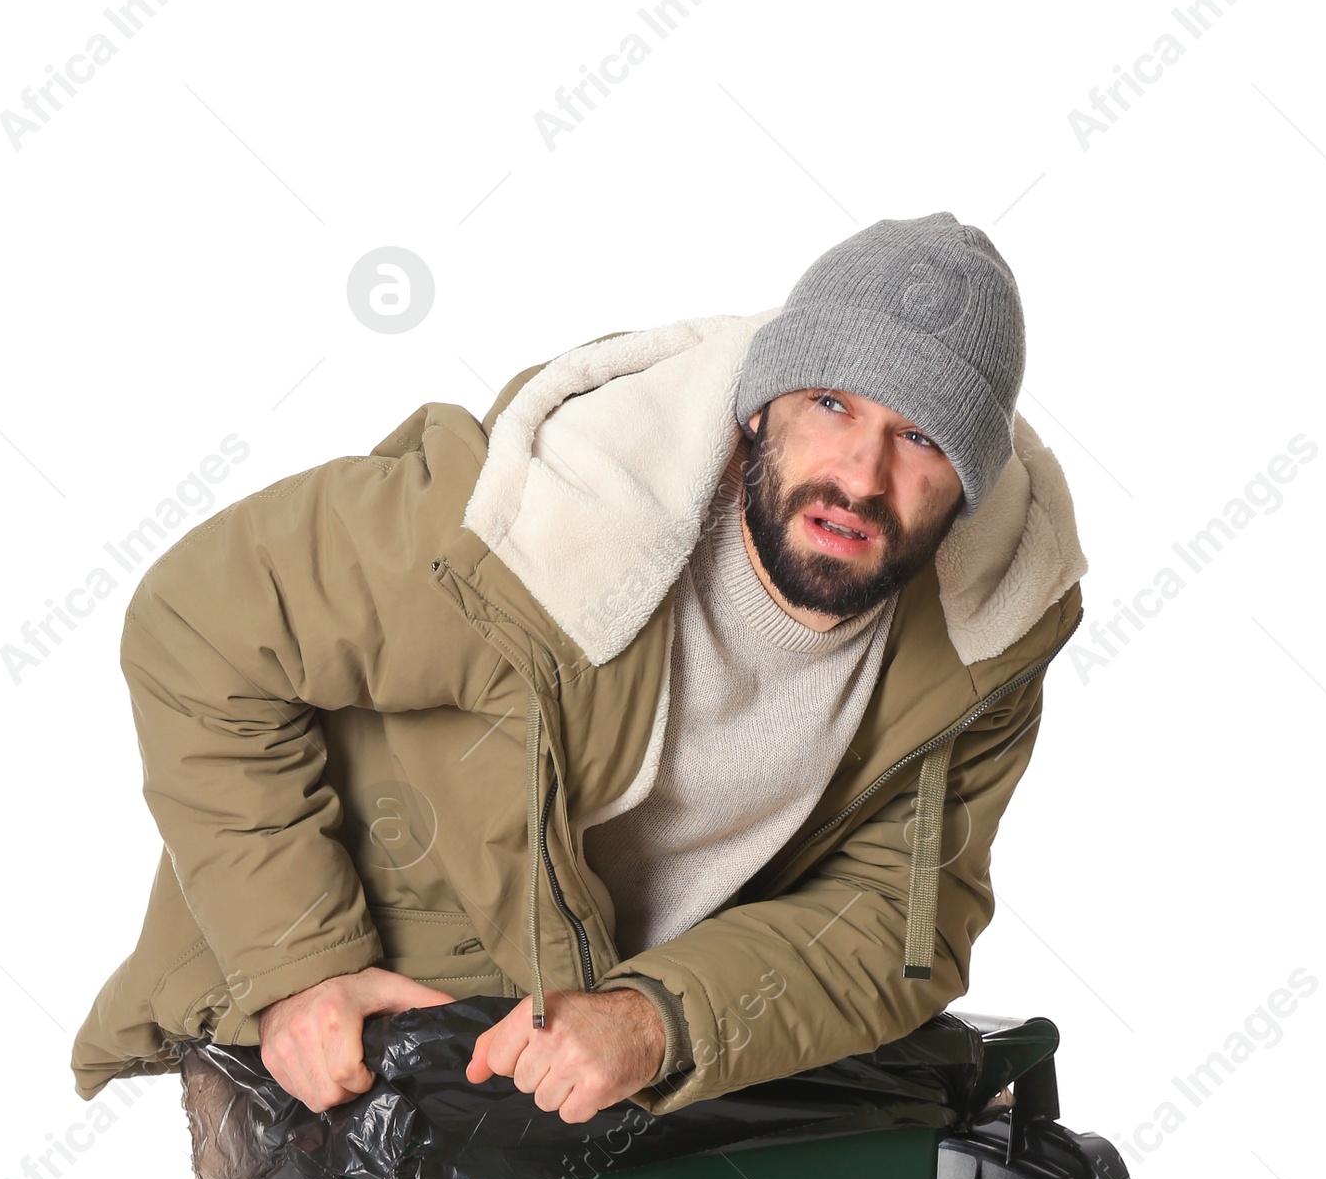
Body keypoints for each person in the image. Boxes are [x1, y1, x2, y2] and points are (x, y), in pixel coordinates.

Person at [72, 213, 1085, 1124]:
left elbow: (890, 922)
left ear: (970, 483)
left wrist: (656, 1019)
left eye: (918, 437)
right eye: (830, 403)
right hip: (345, 1039)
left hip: (604, 1077)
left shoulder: (982, 635)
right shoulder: (532, 523)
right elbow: (194, 622)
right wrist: (300, 968)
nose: (859, 478)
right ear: (757, 408)